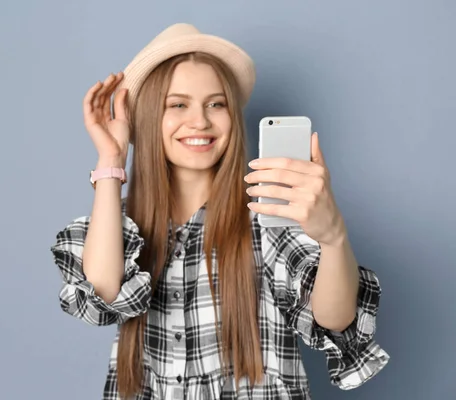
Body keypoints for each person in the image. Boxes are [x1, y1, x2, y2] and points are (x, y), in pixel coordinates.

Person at [51, 23, 389, 400]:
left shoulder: (267, 213)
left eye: (216, 104)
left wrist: (333, 237)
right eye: (178, 104)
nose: (200, 121)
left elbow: (335, 318)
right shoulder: (124, 227)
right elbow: (100, 293)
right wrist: (112, 160)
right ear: (147, 118)